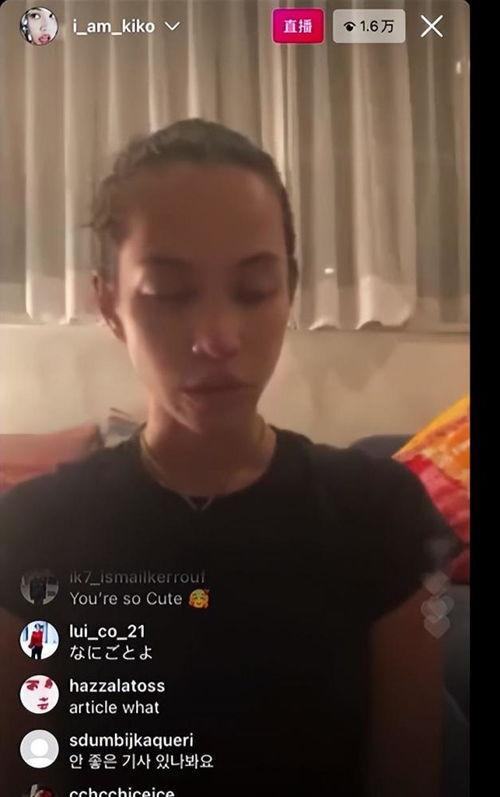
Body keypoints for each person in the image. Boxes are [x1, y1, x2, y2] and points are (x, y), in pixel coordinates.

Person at [0, 119, 463, 796]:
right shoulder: (29, 530)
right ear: (110, 304)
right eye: (169, 294)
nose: (218, 338)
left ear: (290, 290)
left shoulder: (380, 510)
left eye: (254, 290)